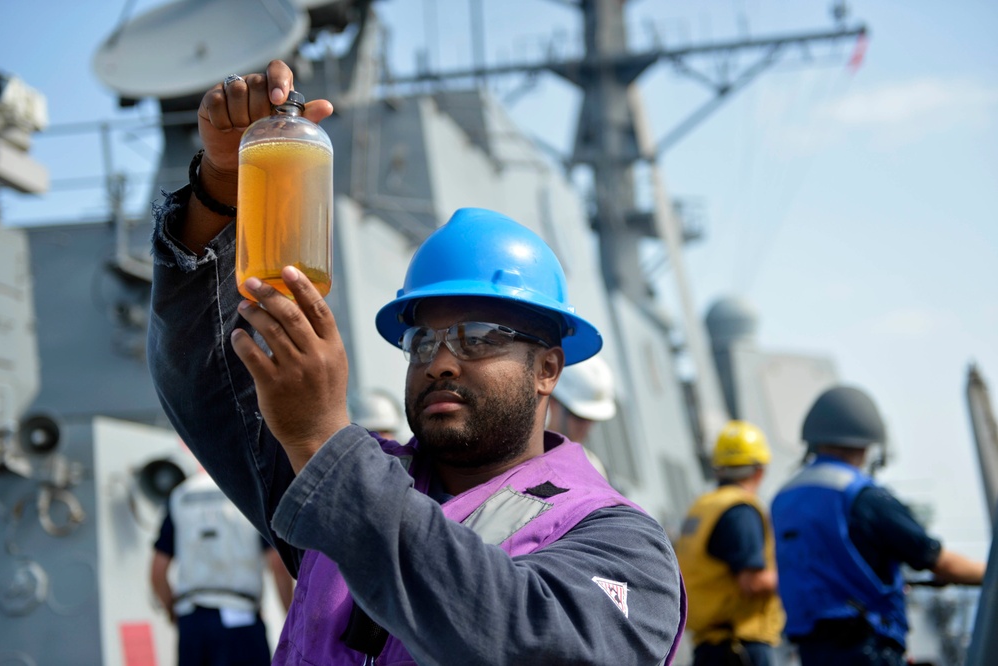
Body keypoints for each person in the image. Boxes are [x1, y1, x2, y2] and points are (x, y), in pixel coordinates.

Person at [146, 61, 685, 665]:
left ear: (548, 370)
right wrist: (221, 185)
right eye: (422, 342)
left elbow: (538, 644)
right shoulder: (345, 483)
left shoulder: (620, 543)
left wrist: (325, 441)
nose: (441, 361)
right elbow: (210, 383)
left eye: (477, 337)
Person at [771, 385, 987, 666]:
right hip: (865, 647)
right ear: (866, 443)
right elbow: (938, 561)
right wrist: (989, 574)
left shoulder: (783, 497)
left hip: (811, 650)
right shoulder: (864, 497)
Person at [150, 471, 294, 666]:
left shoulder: (179, 495)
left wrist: (172, 611)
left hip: (192, 622)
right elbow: (277, 564)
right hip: (241, 621)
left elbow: (157, 572)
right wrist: (292, 618)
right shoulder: (250, 490)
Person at [675, 421, 784, 666]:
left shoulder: (703, 507)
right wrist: (794, 575)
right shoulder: (741, 512)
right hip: (739, 648)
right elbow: (751, 582)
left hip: (710, 646)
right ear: (759, 471)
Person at [547, 355, 617, 479]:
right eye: (579, 417)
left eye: (592, 420)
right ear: (553, 402)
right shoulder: (520, 459)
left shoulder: (594, 470)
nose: (587, 427)